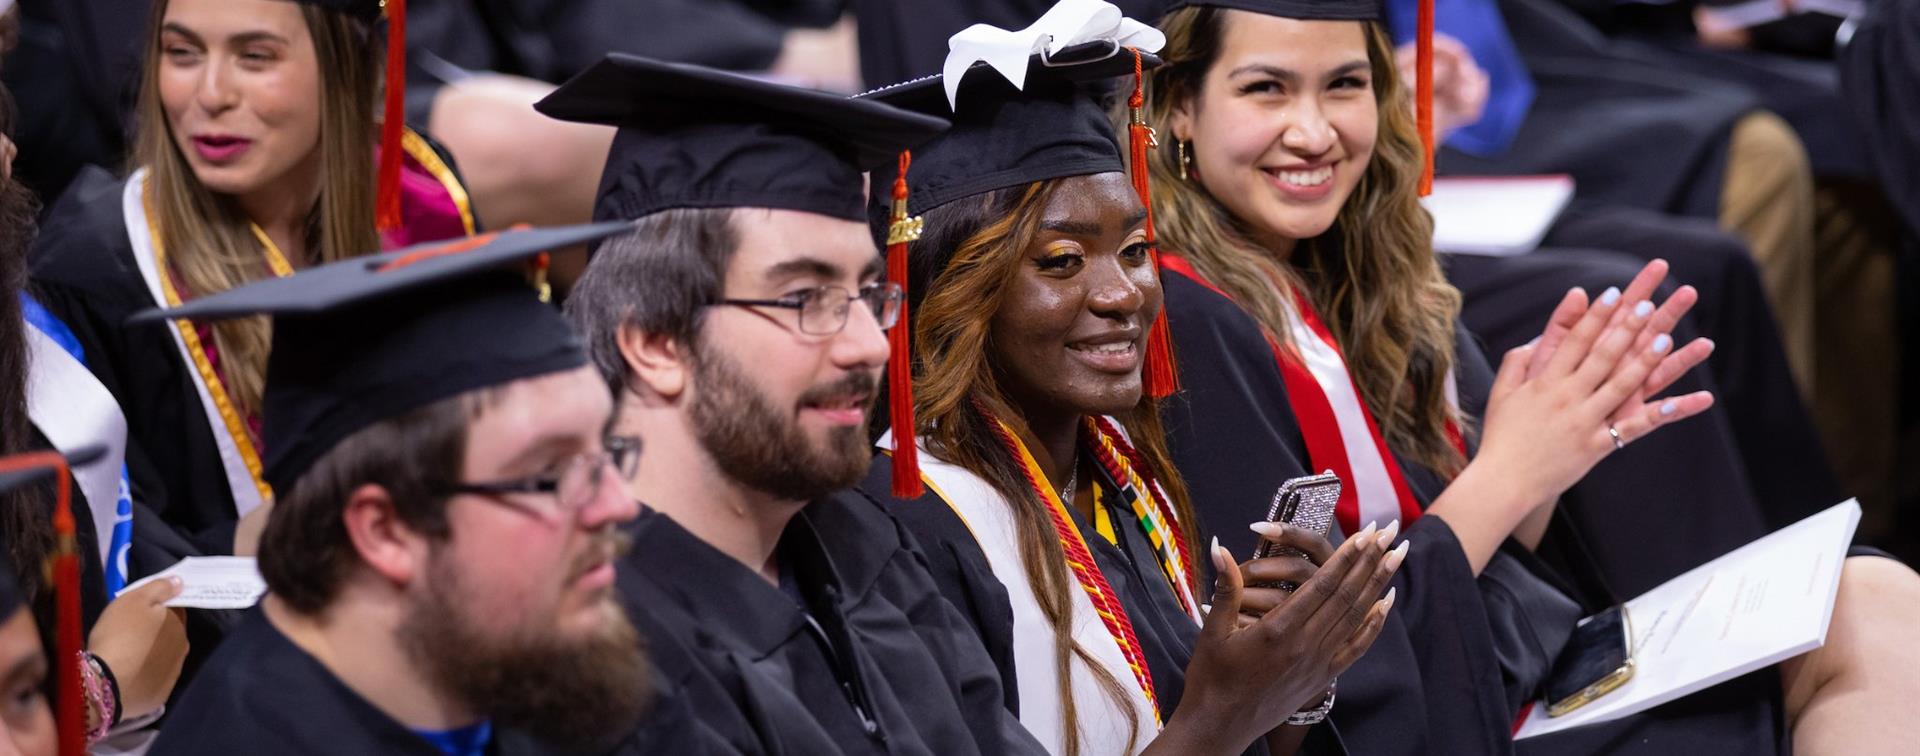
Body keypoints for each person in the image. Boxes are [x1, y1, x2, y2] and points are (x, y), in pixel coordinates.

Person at [1143, 0, 1920, 751]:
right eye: (1265, 88)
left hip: (1503, 672)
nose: (1312, 132)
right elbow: (1321, 687)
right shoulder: (1190, 323)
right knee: (1873, 627)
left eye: (1344, 84)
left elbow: (1484, 556)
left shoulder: (1360, 276)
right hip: (1432, 718)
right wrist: (1509, 477)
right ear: (1179, 106)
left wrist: (1555, 451)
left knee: (1873, 598)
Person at [854, 9, 1397, 752]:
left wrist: (1284, 676)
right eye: (1062, 261)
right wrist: (1223, 711)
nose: (1124, 294)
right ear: (957, 290)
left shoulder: (1123, 480)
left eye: (1136, 249)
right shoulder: (905, 530)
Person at [545, 53, 1047, 754]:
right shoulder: (584, 651)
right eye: (805, 299)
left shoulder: (869, 552)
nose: (870, 346)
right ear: (656, 342)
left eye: (870, 297)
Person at [139, 223, 660, 754]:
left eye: (605, 455)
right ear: (385, 530)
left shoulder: (521, 677)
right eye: (551, 473)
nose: (617, 504)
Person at [26, 0, 476, 574]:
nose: (211, 94)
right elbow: (121, 559)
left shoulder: (422, 193)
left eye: (255, 57)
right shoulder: (97, 269)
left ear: (348, 64)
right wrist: (255, 541)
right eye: (182, 53)